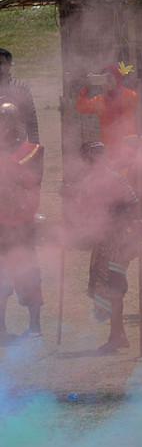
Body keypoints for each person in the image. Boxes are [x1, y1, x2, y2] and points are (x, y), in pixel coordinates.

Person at [62, 142, 139, 352]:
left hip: (119, 240)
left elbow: (133, 205)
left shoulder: (116, 179)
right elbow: (85, 212)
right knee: (107, 286)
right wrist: (70, 198)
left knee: (114, 286)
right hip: (102, 240)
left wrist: (131, 234)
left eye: (92, 158)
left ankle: (116, 337)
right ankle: (119, 335)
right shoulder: (88, 182)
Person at [0, 102, 43, 337]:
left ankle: (35, 326)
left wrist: (20, 206)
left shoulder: (31, 150)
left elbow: (34, 188)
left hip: (22, 223)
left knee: (29, 272)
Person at [75, 63, 138, 160]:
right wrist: (87, 87)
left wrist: (116, 87)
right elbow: (81, 108)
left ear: (117, 78)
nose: (105, 82)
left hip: (127, 148)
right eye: (103, 78)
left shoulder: (129, 95)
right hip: (107, 151)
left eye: (109, 77)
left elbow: (135, 100)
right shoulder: (99, 100)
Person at [0, 48, 39, 143]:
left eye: (0, 63)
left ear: (9, 65)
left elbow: (31, 119)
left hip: (16, 142)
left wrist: (35, 146)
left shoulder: (21, 88)